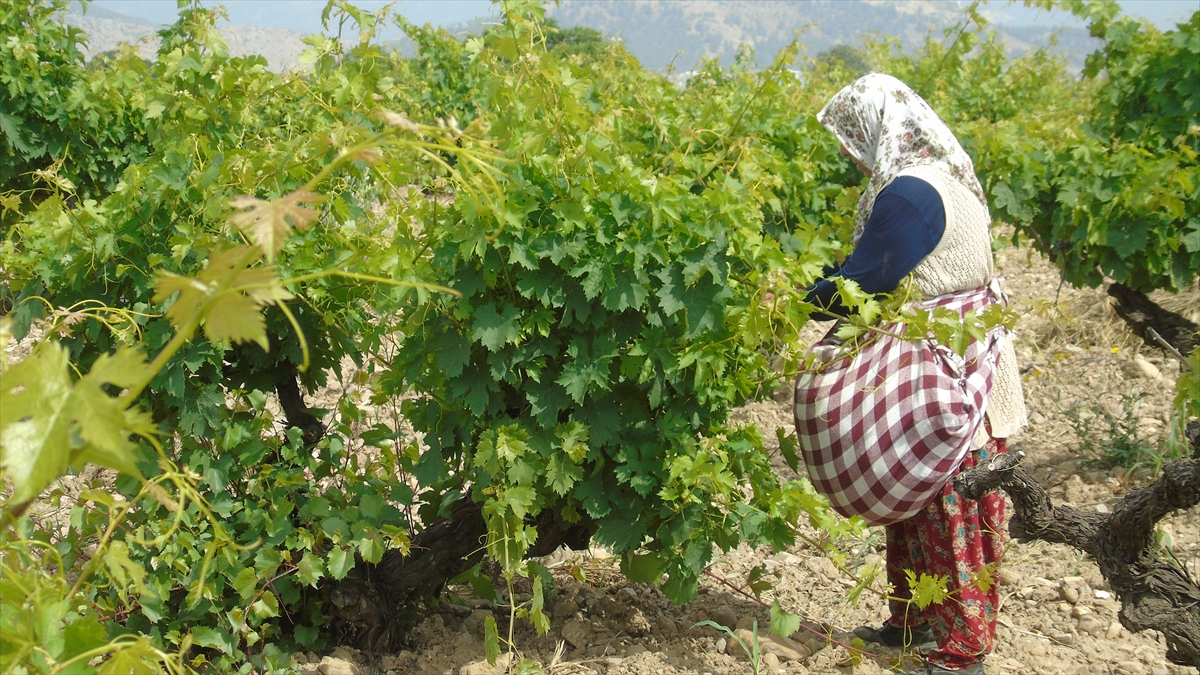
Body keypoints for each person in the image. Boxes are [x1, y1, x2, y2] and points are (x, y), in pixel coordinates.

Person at [805, 74, 1028, 675]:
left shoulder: (910, 193)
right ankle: (912, 624)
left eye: (854, 139)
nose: (852, 155)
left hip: (944, 371)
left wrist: (802, 296)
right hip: (964, 360)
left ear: (879, 130)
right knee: (920, 498)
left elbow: (864, 282)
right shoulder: (948, 181)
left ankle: (961, 651)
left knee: (947, 502)